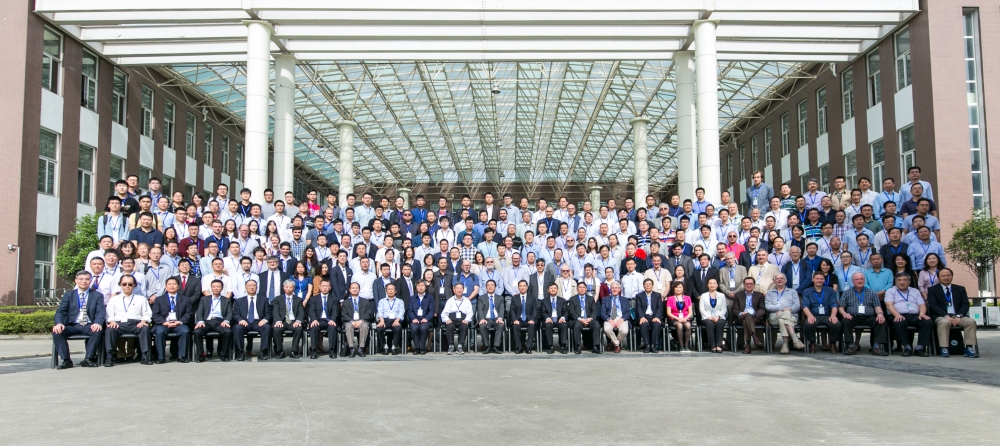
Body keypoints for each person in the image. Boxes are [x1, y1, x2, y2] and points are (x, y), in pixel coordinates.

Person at [52, 271, 106, 369]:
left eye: (87, 279)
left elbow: (100, 312)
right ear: (76, 281)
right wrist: (59, 323)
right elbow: (60, 311)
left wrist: (97, 323)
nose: (84, 281)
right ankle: (66, 360)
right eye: (81, 279)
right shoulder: (69, 295)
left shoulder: (97, 295)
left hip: (89, 324)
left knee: (98, 331)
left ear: (90, 281)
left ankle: (88, 359)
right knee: (57, 332)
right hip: (73, 325)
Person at [926, 268, 978, 358]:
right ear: (938, 278)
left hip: (958, 316)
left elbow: (965, 304)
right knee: (944, 322)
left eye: (948, 275)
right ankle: (944, 347)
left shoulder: (960, 289)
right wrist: (946, 316)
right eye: (943, 276)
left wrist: (959, 316)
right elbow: (933, 305)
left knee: (971, 322)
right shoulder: (932, 290)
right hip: (941, 316)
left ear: (952, 276)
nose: (946, 277)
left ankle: (969, 347)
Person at [103, 275, 153, 366]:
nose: (127, 286)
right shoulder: (114, 299)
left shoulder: (141, 299)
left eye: (130, 284)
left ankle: (145, 355)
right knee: (110, 329)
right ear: (120, 285)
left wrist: (143, 321)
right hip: (119, 323)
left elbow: (147, 313)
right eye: (124, 284)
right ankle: (109, 357)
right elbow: (109, 314)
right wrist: (111, 321)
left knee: (145, 329)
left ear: (134, 285)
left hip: (135, 323)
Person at [838, 272, 890, 356]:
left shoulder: (872, 293)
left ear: (864, 280)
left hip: (869, 317)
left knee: (881, 321)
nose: (859, 281)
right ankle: (850, 346)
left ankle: (877, 347)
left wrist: (880, 314)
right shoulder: (846, 292)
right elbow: (841, 307)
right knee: (845, 321)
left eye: (861, 279)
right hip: (852, 317)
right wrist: (844, 314)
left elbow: (877, 306)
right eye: (857, 279)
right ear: (853, 281)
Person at [884, 272, 934, 357]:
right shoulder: (890, 291)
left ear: (909, 282)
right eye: (899, 280)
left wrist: (922, 314)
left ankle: (920, 348)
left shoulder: (915, 291)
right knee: (899, 322)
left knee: (927, 322)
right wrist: (897, 315)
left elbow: (921, 304)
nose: (902, 282)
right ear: (895, 281)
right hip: (897, 315)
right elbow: (889, 305)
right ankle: (907, 347)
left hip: (914, 316)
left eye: (904, 280)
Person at [150, 277, 192, 364]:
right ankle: (161, 357)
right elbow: (155, 314)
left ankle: (181, 356)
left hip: (179, 323)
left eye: (174, 284)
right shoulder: (159, 299)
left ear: (178, 286)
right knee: (159, 332)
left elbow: (188, 313)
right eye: (169, 284)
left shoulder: (185, 299)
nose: (172, 286)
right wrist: (164, 322)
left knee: (185, 331)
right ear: (165, 287)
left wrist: (180, 322)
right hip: (164, 324)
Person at [801, 272, 843, 354]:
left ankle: (832, 343)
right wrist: (809, 316)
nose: (819, 280)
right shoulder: (807, 291)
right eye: (817, 278)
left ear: (824, 280)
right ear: (813, 279)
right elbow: (805, 306)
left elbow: (834, 305)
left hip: (827, 316)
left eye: (821, 279)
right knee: (808, 324)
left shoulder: (830, 290)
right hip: (814, 315)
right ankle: (812, 343)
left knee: (836, 324)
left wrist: (833, 315)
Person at [193, 280, 233, 362]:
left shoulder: (226, 300)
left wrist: (226, 321)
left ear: (222, 288)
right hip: (206, 321)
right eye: (214, 286)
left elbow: (229, 313)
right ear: (211, 288)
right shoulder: (204, 299)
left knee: (228, 332)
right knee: (197, 332)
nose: (216, 288)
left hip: (220, 322)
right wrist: (200, 321)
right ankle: (201, 355)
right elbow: (200, 311)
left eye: (218, 287)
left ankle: (224, 354)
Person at [232, 279, 272, 361]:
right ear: (245, 288)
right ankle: (240, 352)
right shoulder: (239, 301)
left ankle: (263, 351)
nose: (251, 287)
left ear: (257, 287)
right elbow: (235, 314)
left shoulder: (264, 299)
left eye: (253, 285)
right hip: (245, 321)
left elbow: (269, 313)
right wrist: (240, 320)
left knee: (267, 327)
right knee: (237, 328)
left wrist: (264, 320)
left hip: (259, 321)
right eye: (249, 286)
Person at [764, 274, 804, 354]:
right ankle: (795, 339)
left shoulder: (793, 291)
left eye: (781, 278)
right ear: (774, 281)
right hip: (775, 316)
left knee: (782, 321)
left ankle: (785, 345)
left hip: (792, 316)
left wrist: (786, 311)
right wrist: (782, 309)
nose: (779, 280)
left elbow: (797, 306)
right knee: (785, 315)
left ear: (785, 281)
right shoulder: (769, 293)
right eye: (777, 278)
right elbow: (768, 306)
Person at [271, 279, 306, 358]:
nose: (288, 289)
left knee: (299, 329)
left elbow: (301, 312)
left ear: (293, 288)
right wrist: (278, 321)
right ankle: (279, 351)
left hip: (293, 321)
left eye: (290, 287)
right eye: (286, 287)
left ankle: (294, 351)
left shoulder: (298, 300)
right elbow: (275, 311)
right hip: (282, 321)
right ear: (283, 288)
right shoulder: (278, 299)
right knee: (276, 329)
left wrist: (298, 321)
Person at [568, 282, 602, 354]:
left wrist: (590, 318)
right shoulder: (572, 299)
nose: (582, 289)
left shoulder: (591, 299)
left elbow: (594, 311)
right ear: (577, 289)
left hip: (589, 319)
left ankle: (596, 346)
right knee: (576, 326)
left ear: (586, 289)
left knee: (596, 325)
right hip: (578, 320)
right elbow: (571, 312)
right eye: (580, 287)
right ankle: (578, 346)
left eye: (583, 287)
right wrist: (580, 319)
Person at [342, 282, 373, 358]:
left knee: (365, 326)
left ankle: (361, 348)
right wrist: (352, 321)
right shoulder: (345, 302)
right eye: (353, 288)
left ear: (359, 289)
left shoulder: (365, 301)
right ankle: (351, 348)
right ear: (349, 290)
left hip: (361, 321)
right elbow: (344, 314)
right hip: (350, 321)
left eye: (356, 288)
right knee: (348, 326)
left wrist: (361, 321)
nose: (355, 289)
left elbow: (368, 313)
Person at [442, 283, 474, 355]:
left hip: (462, 319)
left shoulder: (466, 300)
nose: (459, 290)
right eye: (457, 288)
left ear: (463, 290)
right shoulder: (450, 300)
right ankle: (451, 346)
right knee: (449, 326)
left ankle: (460, 346)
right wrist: (447, 319)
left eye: (461, 288)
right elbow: (444, 313)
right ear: (454, 290)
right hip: (452, 319)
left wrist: (467, 319)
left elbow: (470, 313)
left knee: (464, 326)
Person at [538, 282, 569, 354]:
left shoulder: (562, 300)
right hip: (549, 319)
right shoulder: (544, 301)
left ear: (557, 290)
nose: (553, 289)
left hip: (559, 319)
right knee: (548, 325)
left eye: (555, 288)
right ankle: (550, 346)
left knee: (564, 325)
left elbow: (566, 311)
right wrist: (547, 318)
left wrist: (563, 318)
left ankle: (563, 345)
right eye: (551, 288)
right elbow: (542, 312)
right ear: (548, 290)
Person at [634, 279, 664, 353]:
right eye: (646, 284)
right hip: (644, 316)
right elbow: (639, 308)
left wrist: (657, 317)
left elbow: (660, 308)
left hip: (654, 316)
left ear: (652, 286)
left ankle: (653, 346)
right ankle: (647, 345)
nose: (648, 286)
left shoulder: (657, 295)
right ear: (643, 286)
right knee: (644, 325)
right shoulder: (639, 296)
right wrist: (642, 317)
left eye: (649, 284)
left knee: (657, 325)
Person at [375, 283, 405, 355]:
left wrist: (397, 320)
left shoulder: (400, 301)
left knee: (398, 328)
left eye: (392, 289)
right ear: (386, 291)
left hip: (396, 320)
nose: (390, 291)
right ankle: (384, 346)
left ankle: (394, 347)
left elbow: (401, 312)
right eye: (388, 289)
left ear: (395, 291)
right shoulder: (382, 301)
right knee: (379, 329)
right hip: (385, 320)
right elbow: (380, 312)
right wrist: (381, 321)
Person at [476, 281, 506, 354]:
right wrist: (482, 319)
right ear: (486, 287)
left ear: (495, 287)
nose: (490, 287)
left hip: (496, 319)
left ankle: (496, 346)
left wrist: (500, 318)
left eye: (492, 285)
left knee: (501, 325)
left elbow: (502, 309)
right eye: (488, 285)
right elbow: (479, 309)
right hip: (486, 319)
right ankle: (487, 346)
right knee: (482, 326)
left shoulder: (500, 298)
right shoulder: (481, 298)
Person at [699, 277, 728, 353]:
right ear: (707, 285)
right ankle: (712, 345)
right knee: (710, 324)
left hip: (719, 316)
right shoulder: (703, 295)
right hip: (707, 317)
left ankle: (719, 345)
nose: (712, 285)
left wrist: (718, 316)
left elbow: (724, 308)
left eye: (714, 283)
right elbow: (701, 309)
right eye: (710, 283)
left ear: (717, 285)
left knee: (720, 323)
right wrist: (709, 317)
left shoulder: (722, 295)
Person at [601, 282, 631, 353]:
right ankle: (617, 345)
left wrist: (622, 319)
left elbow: (628, 313)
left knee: (624, 331)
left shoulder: (625, 299)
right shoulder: (605, 299)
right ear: (610, 289)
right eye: (613, 288)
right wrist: (609, 320)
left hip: (621, 318)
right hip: (610, 317)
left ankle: (612, 344)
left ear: (619, 289)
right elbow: (602, 313)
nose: (614, 289)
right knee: (607, 329)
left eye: (616, 288)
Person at [509, 280, 537, 354]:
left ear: (527, 287)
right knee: (515, 326)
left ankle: (528, 347)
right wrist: (514, 320)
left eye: (524, 286)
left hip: (529, 319)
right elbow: (512, 311)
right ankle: (519, 347)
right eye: (520, 286)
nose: (522, 288)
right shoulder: (515, 298)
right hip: (519, 319)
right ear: (518, 287)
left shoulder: (532, 298)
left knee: (532, 326)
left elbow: (535, 310)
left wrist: (532, 319)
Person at [408, 281, 434, 355]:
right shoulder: (412, 298)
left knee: (423, 328)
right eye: (419, 285)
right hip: (415, 319)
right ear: (416, 287)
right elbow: (410, 311)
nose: (420, 287)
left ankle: (422, 348)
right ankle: (417, 348)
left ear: (425, 287)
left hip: (426, 320)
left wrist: (426, 318)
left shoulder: (430, 298)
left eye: (422, 285)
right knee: (414, 328)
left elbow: (431, 310)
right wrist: (413, 319)